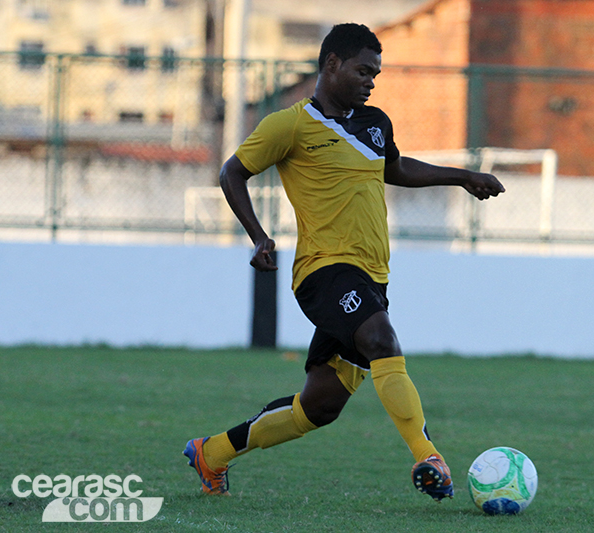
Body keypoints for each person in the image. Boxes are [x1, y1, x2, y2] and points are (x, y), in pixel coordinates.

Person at [184, 23, 504, 502]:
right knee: (381, 338)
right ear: (331, 64)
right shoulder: (289, 125)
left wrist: (462, 176)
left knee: (318, 407)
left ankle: (212, 454)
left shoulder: (375, 123)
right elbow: (233, 172)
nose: (370, 81)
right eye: (363, 70)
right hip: (323, 271)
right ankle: (428, 456)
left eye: (375, 74)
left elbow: (394, 168)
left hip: (372, 276)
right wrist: (259, 237)